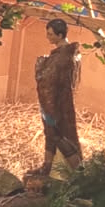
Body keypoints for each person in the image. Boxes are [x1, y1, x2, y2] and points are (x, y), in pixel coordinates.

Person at [31, 18, 83, 176]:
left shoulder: (61, 57)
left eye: (50, 34)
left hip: (54, 103)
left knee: (60, 135)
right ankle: (47, 166)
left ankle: (79, 171)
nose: (48, 37)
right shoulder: (71, 54)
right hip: (59, 101)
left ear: (60, 35)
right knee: (52, 134)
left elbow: (47, 79)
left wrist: (40, 65)